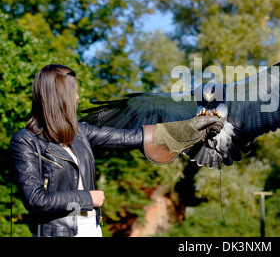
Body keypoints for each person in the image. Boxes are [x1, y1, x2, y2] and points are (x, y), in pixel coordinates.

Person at [10, 64, 223, 237]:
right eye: (73, 92)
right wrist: (88, 199)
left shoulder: (80, 133)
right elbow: (36, 200)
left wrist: (188, 129)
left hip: (91, 229)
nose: (76, 98)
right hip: (56, 232)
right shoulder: (26, 141)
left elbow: (130, 138)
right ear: (59, 97)